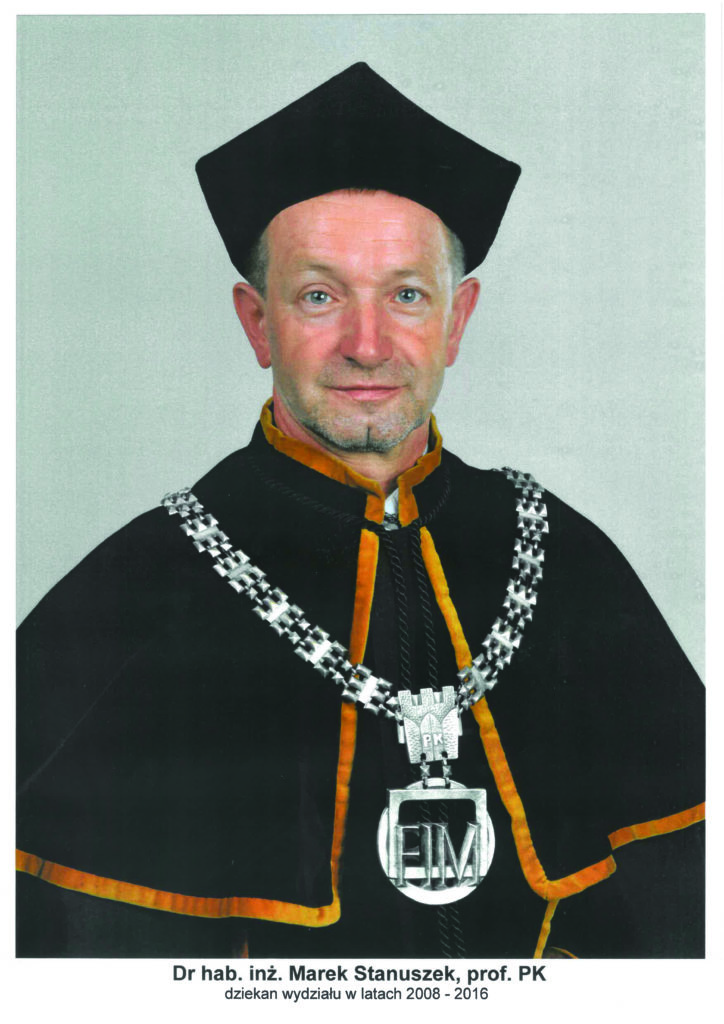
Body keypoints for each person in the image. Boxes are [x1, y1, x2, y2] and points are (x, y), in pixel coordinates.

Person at [16, 62, 704, 959]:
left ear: (457, 321)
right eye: (319, 296)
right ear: (256, 323)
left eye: (406, 295)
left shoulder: (566, 559)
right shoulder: (134, 589)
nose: (367, 345)